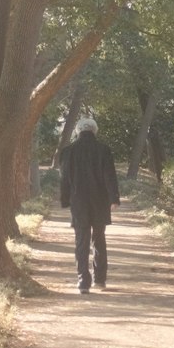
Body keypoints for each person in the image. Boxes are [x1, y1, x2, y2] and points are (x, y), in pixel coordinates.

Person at [59, 116, 120, 294]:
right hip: (99, 201)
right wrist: (114, 199)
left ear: (78, 131)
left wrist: (64, 199)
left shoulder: (68, 151)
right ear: (94, 131)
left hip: (78, 201)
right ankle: (100, 280)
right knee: (99, 239)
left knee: (81, 240)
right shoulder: (103, 150)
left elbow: (64, 179)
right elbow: (110, 176)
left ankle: (83, 281)